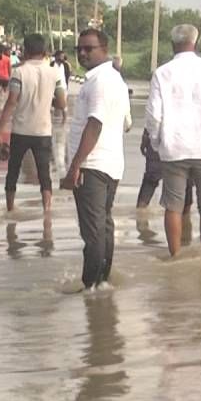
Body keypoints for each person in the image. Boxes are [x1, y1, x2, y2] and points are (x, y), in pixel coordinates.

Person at [143, 24, 201, 257]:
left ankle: (174, 256)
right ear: (196, 42)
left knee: (173, 205)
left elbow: (154, 115)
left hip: (174, 149)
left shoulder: (162, 73)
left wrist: (156, 142)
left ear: (172, 44)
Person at [61, 28, 132, 292]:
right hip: (111, 164)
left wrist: (76, 165)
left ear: (104, 49)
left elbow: (95, 124)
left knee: (93, 232)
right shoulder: (115, 80)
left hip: (93, 165)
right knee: (103, 226)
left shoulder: (100, 82)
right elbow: (126, 123)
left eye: (88, 49)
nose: (82, 53)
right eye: (79, 48)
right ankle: (102, 282)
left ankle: (90, 285)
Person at [0, 33, 67, 212]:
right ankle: (47, 212)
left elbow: (11, 102)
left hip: (21, 130)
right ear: (44, 51)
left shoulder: (19, 72)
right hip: (43, 132)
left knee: (13, 172)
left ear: (25, 50)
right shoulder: (54, 72)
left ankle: (10, 209)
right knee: (44, 174)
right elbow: (61, 104)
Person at [0, 43, 12, 110]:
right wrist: (10, 77)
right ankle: (5, 106)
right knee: (5, 93)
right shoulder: (7, 58)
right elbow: (9, 69)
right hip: (6, 78)